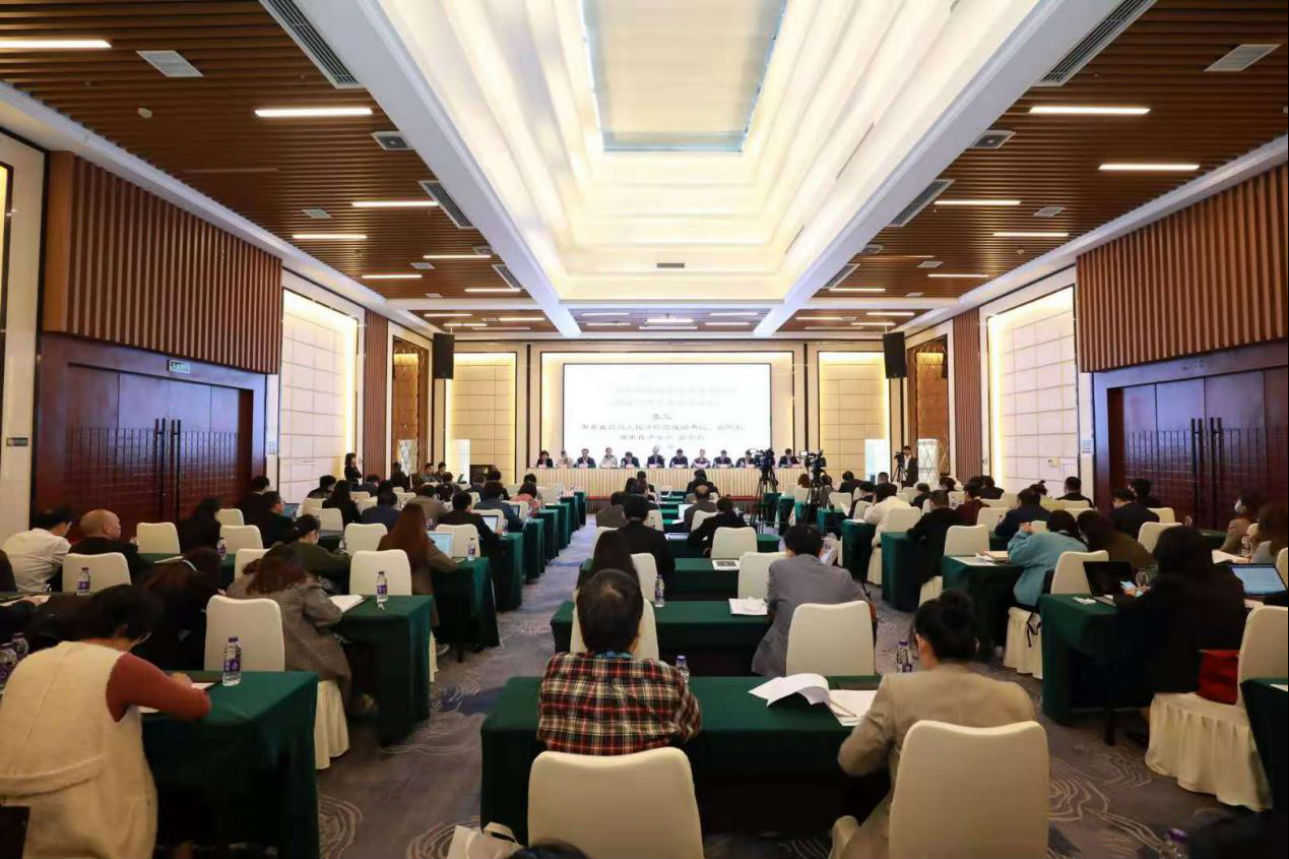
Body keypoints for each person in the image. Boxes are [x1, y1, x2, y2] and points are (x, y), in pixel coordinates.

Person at [0, 585, 211, 859]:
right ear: (130, 630)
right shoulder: (120, 665)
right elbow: (196, 706)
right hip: (78, 813)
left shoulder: (30, 662)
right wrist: (183, 684)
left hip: (10, 810)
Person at [832, 591, 1033, 859]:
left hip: (908, 844)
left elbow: (852, 761)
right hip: (994, 843)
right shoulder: (1017, 699)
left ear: (921, 643)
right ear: (973, 646)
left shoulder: (898, 691)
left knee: (844, 824)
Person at [539, 570, 700, 754]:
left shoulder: (555, 671)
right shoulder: (666, 679)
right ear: (638, 629)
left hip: (571, 774)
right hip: (645, 774)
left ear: (581, 628)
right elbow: (692, 726)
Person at [1115, 527, 1247, 695]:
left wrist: (1127, 595)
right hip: (1225, 670)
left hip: (1179, 675)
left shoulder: (1170, 587)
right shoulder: (1231, 583)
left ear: (1164, 556)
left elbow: (1133, 612)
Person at [228, 549, 351, 699]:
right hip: (300, 662)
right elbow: (331, 616)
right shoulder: (300, 583)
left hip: (247, 663)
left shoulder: (236, 586)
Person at [753, 525, 865, 676]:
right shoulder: (842, 576)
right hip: (836, 661)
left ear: (788, 551)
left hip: (784, 665)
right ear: (821, 551)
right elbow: (867, 611)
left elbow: (772, 610)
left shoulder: (778, 568)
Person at [135, 550, 221, 670]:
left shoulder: (158, 571)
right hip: (172, 646)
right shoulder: (196, 580)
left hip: (144, 638)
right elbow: (213, 605)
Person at [379, 505, 455, 623]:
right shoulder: (423, 543)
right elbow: (450, 566)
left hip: (388, 597)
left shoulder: (385, 540)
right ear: (422, 522)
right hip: (418, 599)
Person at [1007, 510, 1085, 608]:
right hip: (1068, 602)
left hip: (1034, 600)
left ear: (1049, 525)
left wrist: (1022, 533)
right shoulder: (1082, 547)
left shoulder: (1041, 538)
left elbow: (1015, 556)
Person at [2, 506, 73, 593]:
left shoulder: (15, 537)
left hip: (4, 595)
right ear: (63, 525)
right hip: (30, 596)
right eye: (69, 526)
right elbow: (77, 566)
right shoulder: (57, 543)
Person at [71, 508, 152, 581]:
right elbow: (150, 572)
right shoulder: (126, 549)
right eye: (118, 523)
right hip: (119, 592)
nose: (119, 527)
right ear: (107, 529)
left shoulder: (73, 551)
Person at [275, 514, 349, 590]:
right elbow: (342, 564)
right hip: (305, 593)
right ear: (313, 533)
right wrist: (342, 551)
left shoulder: (283, 548)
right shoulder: (312, 552)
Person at [617, 494, 674, 582]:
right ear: (647, 515)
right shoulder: (658, 536)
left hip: (621, 587)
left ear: (623, 514)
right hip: (651, 585)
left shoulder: (613, 537)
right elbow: (668, 567)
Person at [1077, 509, 1154, 572]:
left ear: (1086, 532)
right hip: (1150, 573)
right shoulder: (1122, 537)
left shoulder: (1103, 551)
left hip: (1134, 580)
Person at [905, 491, 961, 561]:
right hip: (955, 557)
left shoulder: (929, 518)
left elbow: (914, 534)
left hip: (934, 557)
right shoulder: (958, 516)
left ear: (931, 503)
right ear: (948, 502)